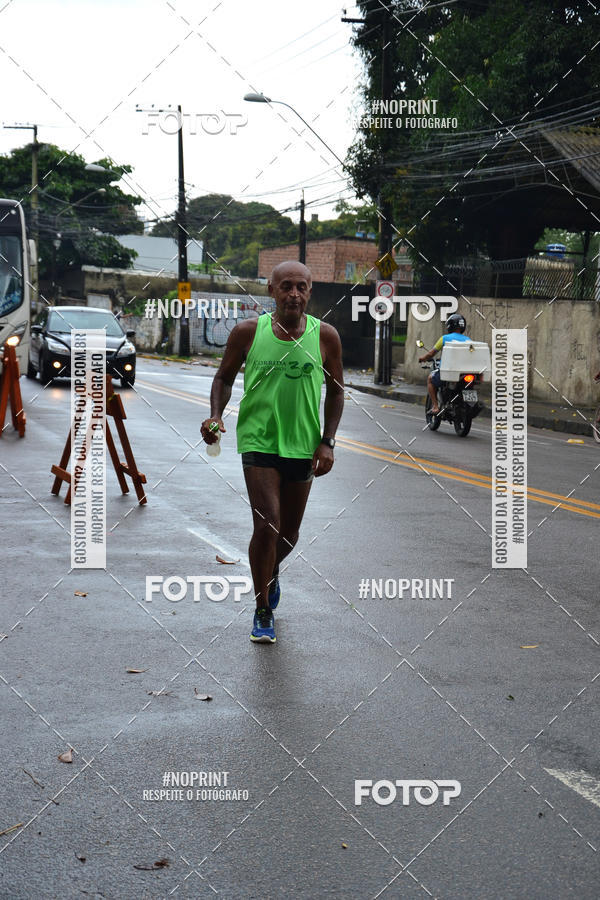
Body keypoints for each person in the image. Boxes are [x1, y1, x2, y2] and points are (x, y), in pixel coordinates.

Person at [201, 261, 344, 644]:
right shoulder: (248, 332)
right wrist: (215, 415)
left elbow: (336, 392)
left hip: (302, 444)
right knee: (267, 524)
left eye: (301, 287)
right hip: (258, 440)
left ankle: (269, 570)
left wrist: (328, 441)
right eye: (286, 286)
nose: (293, 294)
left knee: (289, 533)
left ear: (310, 291)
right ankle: (262, 610)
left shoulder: (325, 337)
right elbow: (223, 377)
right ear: (271, 290)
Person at [418, 313, 472, 415]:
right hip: (464, 373)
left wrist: (423, 358)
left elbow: (431, 354)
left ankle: (435, 406)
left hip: (448, 373)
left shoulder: (444, 338)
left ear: (449, 326)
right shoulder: (468, 340)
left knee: (430, 379)